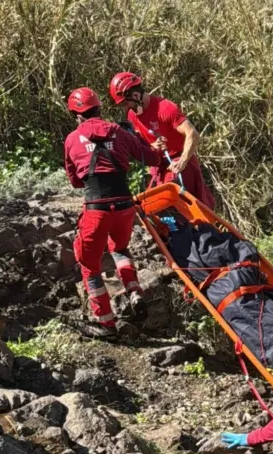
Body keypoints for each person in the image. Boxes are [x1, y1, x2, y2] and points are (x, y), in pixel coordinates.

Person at [64, 87, 162, 338]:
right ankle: (134, 292)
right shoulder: (119, 132)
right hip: (124, 207)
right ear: (99, 108)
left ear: (77, 114)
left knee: (90, 265)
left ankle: (106, 323)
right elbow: (152, 159)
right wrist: (140, 138)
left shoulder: (72, 139)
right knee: (119, 249)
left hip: (96, 208)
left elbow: (75, 182)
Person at [108, 72, 215, 209]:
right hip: (159, 165)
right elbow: (142, 144)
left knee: (174, 198)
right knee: (151, 205)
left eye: (125, 103)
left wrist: (182, 162)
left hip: (178, 163)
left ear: (135, 95)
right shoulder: (132, 116)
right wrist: (153, 146)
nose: (125, 107)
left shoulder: (166, 108)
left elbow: (192, 134)